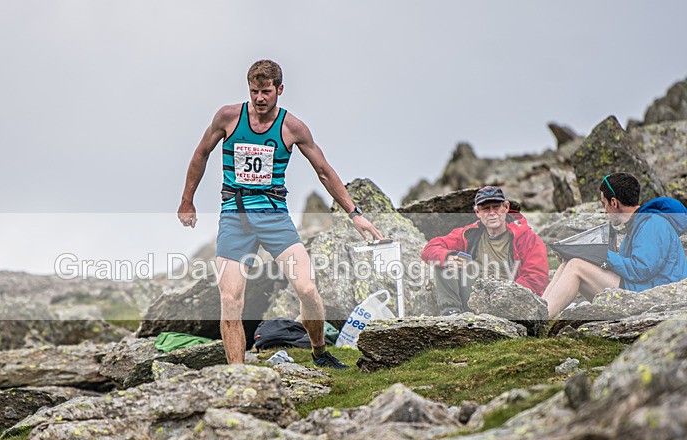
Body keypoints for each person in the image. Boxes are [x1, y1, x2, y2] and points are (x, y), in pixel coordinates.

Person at [178, 59, 383, 368]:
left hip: (275, 217)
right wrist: (187, 201)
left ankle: (319, 352)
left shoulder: (292, 127)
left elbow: (324, 171)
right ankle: (238, 374)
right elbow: (201, 153)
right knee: (231, 299)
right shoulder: (228, 117)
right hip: (235, 216)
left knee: (307, 289)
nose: (260, 99)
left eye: (266, 92)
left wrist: (355, 213)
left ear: (280, 90)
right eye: (254, 91)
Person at [543, 172, 687, 318]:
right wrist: (586, 254)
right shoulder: (637, 226)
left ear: (614, 202)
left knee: (576, 266)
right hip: (642, 286)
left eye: (604, 203)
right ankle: (539, 310)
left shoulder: (653, 224)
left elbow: (641, 269)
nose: (605, 210)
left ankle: (542, 318)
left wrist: (600, 254)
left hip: (654, 294)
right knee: (569, 261)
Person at [420, 186, 549, 315]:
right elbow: (429, 249)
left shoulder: (527, 238)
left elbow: (537, 278)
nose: (492, 213)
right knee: (444, 261)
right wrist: (447, 257)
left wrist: (507, 294)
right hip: (475, 297)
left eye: (496, 207)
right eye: (486, 208)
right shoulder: (469, 233)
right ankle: (451, 315)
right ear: (477, 212)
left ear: (506, 207)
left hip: (511, 302)